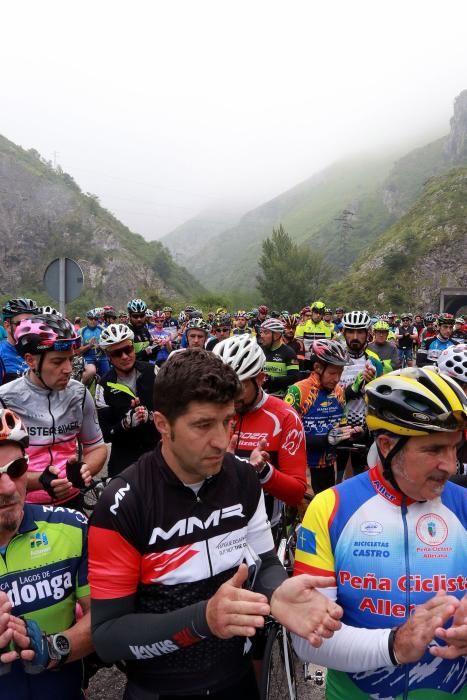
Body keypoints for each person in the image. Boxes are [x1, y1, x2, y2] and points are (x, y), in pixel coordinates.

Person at [88, 349, 342, 700]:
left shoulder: (242, 478)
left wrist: (279, 592)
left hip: (235, 680)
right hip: (160, 689)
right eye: (203, 425)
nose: (222, 441)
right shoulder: (124, 503)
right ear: (163, 424)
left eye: (228, 421)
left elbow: (265, 562)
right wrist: (202, 619)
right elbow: (107, 637)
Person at [292, 367, 467, 699]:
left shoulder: (465, 506)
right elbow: (307, 640)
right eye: (434, 450)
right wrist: (395, 646)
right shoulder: (331, 508)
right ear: (386, 446)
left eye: (455, 448)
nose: (451, 465)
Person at [0, 407, 93, 699]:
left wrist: (52, 648)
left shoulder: (71, 528)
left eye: (16, 470)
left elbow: (104, 617)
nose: (7, 487)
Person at [0, 314, 106, 510]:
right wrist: (40, 480)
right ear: (31, 361)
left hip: (71, 502)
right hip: (24, 504)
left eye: (70, 359)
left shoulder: (80, 394)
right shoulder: (5, 399)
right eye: (57, 362)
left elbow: (96, 447)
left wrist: (85, 469)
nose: (67, 369)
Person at [213, 335, 307, 520]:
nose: (231, 395)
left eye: (239, 386)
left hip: (264, 526)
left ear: (261, 379)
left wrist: (263, 471)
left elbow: (297, 492)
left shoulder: (285, 417)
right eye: (224, 386)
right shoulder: (211, 412)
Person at [285, 339, 360, 494]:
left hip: (329, 464)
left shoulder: (339, 391)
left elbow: (340, 428)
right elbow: (286, 437)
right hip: (303, 467)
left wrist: (353, 434)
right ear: (317, 367)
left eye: (340, 373)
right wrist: (324, 439)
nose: (337, 379)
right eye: (332, 373)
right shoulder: (298, 391)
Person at [95, 323, 159, 476]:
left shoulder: (153, 372)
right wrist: (126, 423)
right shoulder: (103, 386)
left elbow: (172, 412)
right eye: (117, 353)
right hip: (125, 456)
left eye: (128, 349)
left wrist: (150, 416)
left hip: (158, 450)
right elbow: (105, 434)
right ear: (108, 356)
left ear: (133, 347)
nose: (124, 356)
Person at [337, 311, 383, 479]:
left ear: (367, 334)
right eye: (350, 331)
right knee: (338, 476)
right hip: (337, 427)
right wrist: (354, 387)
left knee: (362, 476)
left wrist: (372, 385)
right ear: (344, 333)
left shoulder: (374, 361)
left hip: (363, 428)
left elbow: (380, 399)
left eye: (360, 332)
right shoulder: (336, 358)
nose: (355, 336)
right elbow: (329, 396)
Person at [0, 298, 39, 385]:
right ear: (7, 326)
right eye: (21, 323)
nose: (28, 328)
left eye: (32, 322)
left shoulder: (41, 349)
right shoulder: (1, 353)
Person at [259, 318, 300, 397]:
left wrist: (271, 379)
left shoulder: (289, 352)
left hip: (280, 396)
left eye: (266, 332)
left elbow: (294, 377)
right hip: (261, 396)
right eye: (261, 332)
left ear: (276, 335)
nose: (262, 335)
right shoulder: (259, 351)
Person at [295, 301, 332, 371]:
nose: (318, 315)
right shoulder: (302, 326)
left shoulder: (327, 327)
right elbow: (298, 345)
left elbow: (327, 345)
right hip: (305, 360)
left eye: (320, 313)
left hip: (320, 360)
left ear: (323, 314)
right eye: (316, 312)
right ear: (312, 312)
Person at [78, 309, 110, 386]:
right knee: (87, 378)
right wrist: (89, 345)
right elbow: (78, 351)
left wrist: (102, 345)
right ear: (87, 319)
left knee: (107, 380)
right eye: (91, 319)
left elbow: (109, 346)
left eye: (95, 319)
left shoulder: (103, 330)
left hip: (102, 356)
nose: (93, 321)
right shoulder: (81, 331)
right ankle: (83, 391)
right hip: (88, 357)